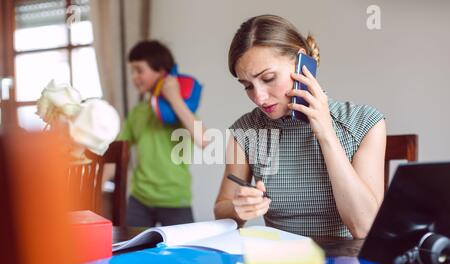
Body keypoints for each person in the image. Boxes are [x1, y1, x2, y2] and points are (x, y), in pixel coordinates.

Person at [214, 15, 386, 239]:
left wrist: (326, 134)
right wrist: (239, 207)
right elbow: (221, 209)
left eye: (268, 78)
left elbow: (365, 227)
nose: (259, 97)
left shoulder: (365, 122)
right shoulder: (247, 131)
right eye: (247, 86)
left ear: (302, 63)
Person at [118, 40, 208, 227]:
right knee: (132, 253)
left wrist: (174, 97)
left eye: (139, 70)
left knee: (183, 256)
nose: (134, 77)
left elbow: (204, 139)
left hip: (175, 200)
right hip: (139, 199)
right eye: (132, 71)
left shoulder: (181, 110)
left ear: (161, 72)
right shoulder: (137, 112)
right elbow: (118, 151)